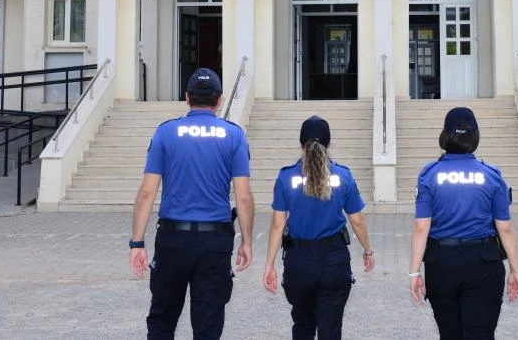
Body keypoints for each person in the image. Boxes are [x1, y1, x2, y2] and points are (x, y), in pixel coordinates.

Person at [129, 67, 255, 339]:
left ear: (187, 97)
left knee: (162, 321)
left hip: (172, 240)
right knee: (208, 325)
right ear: (219, 100)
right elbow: (243, 196)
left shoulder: (166, 132)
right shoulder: (234, 135)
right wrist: (247, 241)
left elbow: (147, 192)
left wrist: (137, 243)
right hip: (214, 242)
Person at [409, 106, 518, 340]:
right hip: (483, 262)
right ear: (475, 136)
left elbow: (422, 227)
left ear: (445, 135)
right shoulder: (491, 174)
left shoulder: (429, 174)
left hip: (442, 264)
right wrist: (515, 270)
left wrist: (414, 272)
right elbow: (505, 227)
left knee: (449, 334)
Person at [263, 116, 375, 340]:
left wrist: (269, 264)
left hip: (299, 261)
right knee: (330, 330)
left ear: (301, 143)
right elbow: (357, 221)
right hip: (333, 260)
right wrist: (368, 250)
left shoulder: (286, 176)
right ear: (329, 143)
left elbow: (277, 224)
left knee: (303, 325)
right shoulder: (343, 175)